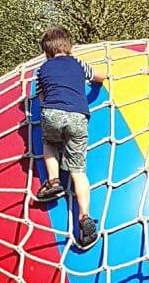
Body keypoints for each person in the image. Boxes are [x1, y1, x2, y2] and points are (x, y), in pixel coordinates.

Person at [33, 26, 106, 248]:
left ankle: (53, 180)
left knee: (50, 144)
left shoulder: (42, 69)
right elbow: (99, 78)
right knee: (78, 171)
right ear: (69, 47)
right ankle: (85, 218)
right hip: (77, 116)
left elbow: (42, 95)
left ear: (47, 51)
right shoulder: (78, 63)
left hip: (52, 112)